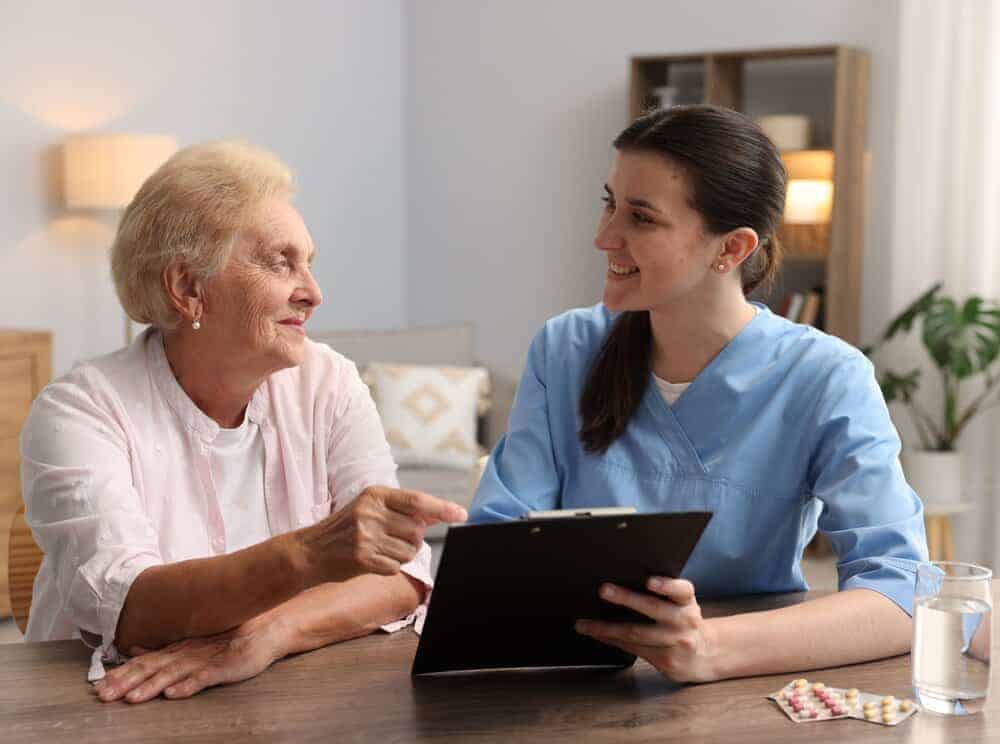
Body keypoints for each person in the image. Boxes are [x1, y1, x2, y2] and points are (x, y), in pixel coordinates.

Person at [468, 105, 928, 683]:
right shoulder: (565, 349)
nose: (602, 237)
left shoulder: (827, 377)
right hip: (572, 682)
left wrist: (711, 646)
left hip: (753, 687)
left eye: (640, 217)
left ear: (731, 249)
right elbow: (496, 554)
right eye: (610, 202)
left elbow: (904, 592)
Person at [21, 141, 466, 703]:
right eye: (281, 263)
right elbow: (130, 607)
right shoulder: (80, 410)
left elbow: (401, 575)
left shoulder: (328, 381)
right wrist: (312, 554)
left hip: (290, 700)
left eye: (309, 262)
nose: (314, 292)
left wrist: (267, 634)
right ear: (187, 288)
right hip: (104, 709)